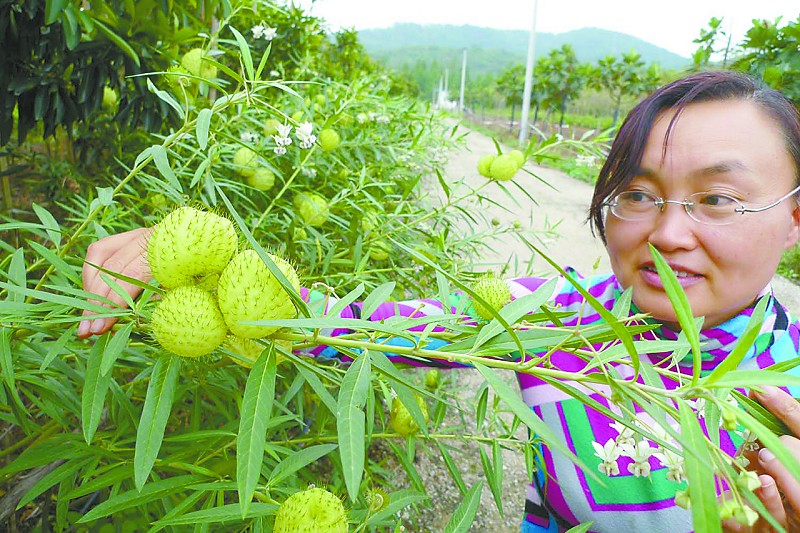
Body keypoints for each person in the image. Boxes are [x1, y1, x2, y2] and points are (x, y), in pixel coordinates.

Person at [78, 70, 800, 532]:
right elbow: (351, 327)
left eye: (719, 198)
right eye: (638, 194)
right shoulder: (550, 316)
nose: (669, 231)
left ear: (794, 216)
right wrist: (207, 258)